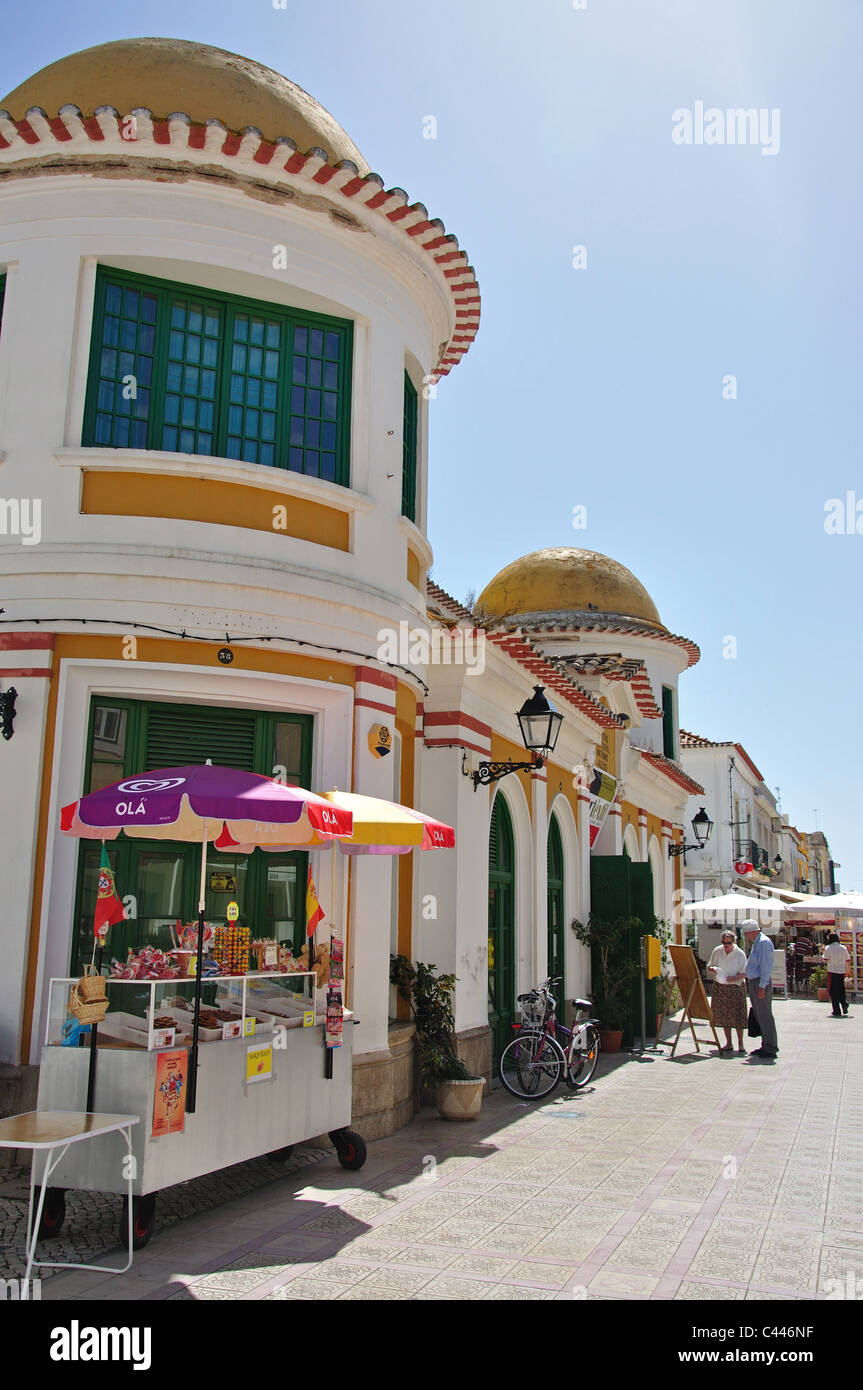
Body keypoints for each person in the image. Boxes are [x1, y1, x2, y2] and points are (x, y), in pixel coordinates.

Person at [707, 930, 748, 1053]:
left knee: (737, 1015)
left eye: (728, 943)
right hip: (721, 986)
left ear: (733, 941)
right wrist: (714, 970)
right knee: (725, 1015)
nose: (726, 945)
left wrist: (733, 978)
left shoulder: (740, 954)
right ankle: (729, 1043)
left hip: (735, 987)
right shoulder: (717, 951)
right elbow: (710, 966)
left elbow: (744, 973)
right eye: (724, 942)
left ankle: (741, 1043)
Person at [742, 918, 778, 1060]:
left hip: (760, 983)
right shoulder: (758, 943)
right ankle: (766, 1044)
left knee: (764, 1015)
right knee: (759, 1015)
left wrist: (762, 986)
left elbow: (766, 966)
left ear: (752, 932)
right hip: (755, 982)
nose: (746, 936)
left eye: (746, 933)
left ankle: (771, 1047)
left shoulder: (763, 943)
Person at [822, 932, 850, 1017]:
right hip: (841, 971)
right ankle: (844, 1003)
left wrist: (823, 952)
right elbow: (848, 960)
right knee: (841, 990)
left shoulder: (828, 948)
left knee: (833, 991)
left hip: (832, 971)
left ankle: (836, 1010)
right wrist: (848, 970)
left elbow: (825, 959)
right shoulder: (843, 948)